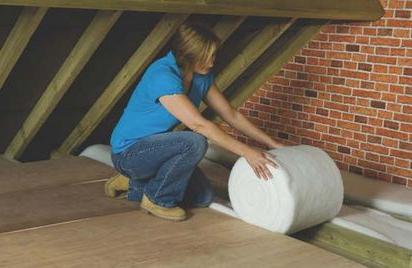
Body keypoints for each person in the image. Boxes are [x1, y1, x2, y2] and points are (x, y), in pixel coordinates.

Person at [106, 22, 285, 221]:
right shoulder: (162, 75)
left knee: (202, 197)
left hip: (159, 150)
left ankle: (136, 183)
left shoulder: (202, 76)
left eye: (214, 54)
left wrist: (271, 143)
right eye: (207, 56)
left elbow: (231, 114)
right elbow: (199, 125)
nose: (212, 61)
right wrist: (247, 152)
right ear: (188, 55)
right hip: (129, 154)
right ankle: (157, 200)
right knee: (195, 141)